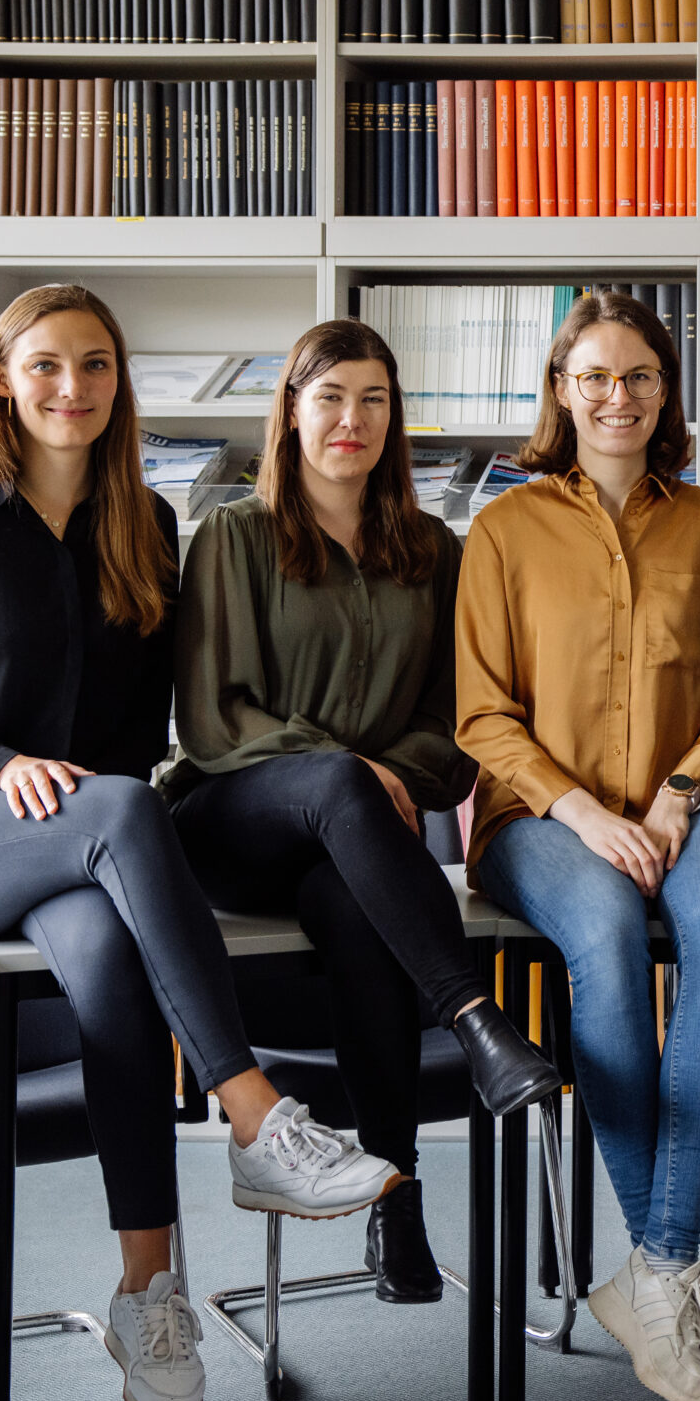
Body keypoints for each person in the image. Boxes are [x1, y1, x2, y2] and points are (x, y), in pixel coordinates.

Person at [0, 284, 401, 1401]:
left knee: (111, 967)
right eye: (45, 364)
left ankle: (151, 1292)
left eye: (95, 365)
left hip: (70, 844)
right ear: (3, 376)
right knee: (119, 809)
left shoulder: (144, 526)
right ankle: (254, 1110)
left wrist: (82, 800)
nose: (72, 387)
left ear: (119, 384)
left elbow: (139, 738)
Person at [167, 319, 564, 1307]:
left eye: (373, 400)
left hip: (354, 845)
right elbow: (215, 718)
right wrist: (347, 767)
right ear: (292, 410)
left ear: (395, 418)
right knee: (343, 791)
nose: (351, 419)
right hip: (231, 821)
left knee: (356, 910)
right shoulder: (233, 534)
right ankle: (475, 1018)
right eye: (330, 397)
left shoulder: (434, 549)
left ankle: (396, 1197)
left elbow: (454, 722)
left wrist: (389, 773)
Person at [457, 288, 700, 1401]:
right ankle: (670, 1265)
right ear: (560, 390)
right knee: (598, 933)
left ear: (665, 392)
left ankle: (654, 1268)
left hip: (690, 807)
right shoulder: (502, 528)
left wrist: (684, 796)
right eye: (593, 375)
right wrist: (583, 813)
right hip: (540, 821)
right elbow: (481, 714)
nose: (617, 395)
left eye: (639, 375)